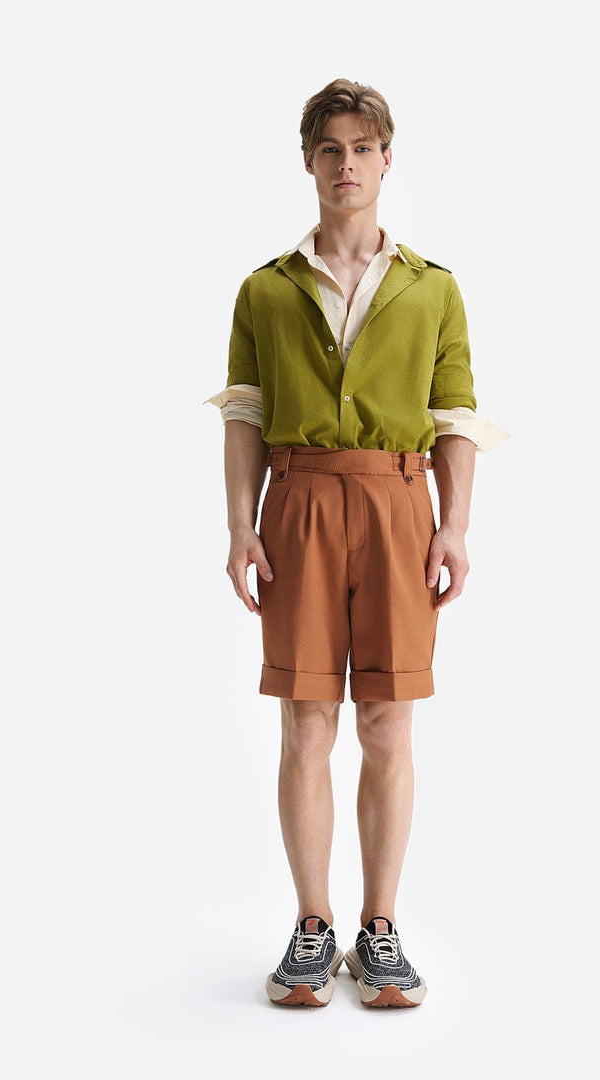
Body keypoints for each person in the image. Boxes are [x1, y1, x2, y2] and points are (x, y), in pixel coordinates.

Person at [205, 78, 508, 1008]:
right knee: (307, 720)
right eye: (331, 148)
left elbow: (453, 414)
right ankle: (313, 925)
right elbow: (245, 412)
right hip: (296, 502)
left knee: (386, 721)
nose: (347, 164)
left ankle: (380, 929)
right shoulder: (266, 289)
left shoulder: (433, 289)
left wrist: (454, 525)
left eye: (363, 149)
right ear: (309, 161)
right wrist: (240, 525)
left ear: (386, 160)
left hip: (398, 506)